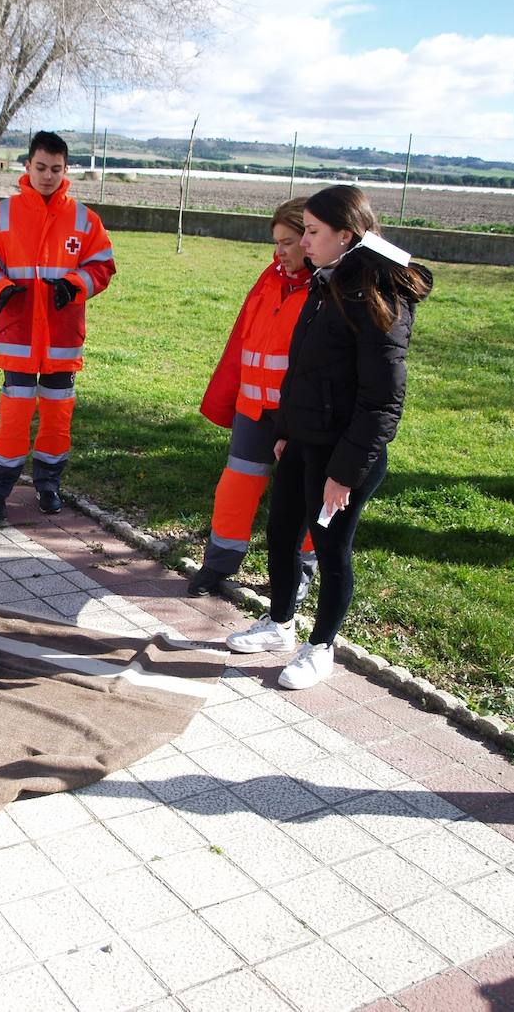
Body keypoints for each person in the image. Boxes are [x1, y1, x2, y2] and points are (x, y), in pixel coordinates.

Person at [226, 185, 432, 690]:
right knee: (279, 534)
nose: (305, 241)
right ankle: (279, 624)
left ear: (347, 235)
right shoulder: (327, 281)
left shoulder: (377, 297)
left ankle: (320, 648)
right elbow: (304, 370)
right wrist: (286, 431)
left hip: (343, 455)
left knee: (331, 549)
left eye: (314, 233)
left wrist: (344, 472)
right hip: (303, 440)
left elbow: (381, 399)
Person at [0, 131, 116, 524]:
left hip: (62, 341)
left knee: (56, 416)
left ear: (66, 169)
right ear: (27, 167)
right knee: (13, 416)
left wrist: (74, 284)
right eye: (40, 167)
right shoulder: (0, 215)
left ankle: (49, 485)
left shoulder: (85, 219)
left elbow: (103, 267)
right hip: (18, 336)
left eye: (55, 168)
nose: (47, 175)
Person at [189, 198, 317, 598]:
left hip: (297, 415)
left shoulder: (328, 287)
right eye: (276, 243)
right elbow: (242, 338)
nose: (279, 252)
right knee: (235, 489)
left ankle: (303, 573)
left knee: (304, 498)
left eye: (288, 242)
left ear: (312, 239)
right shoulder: (271, 276)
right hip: (253, 408)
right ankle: (218, 564)